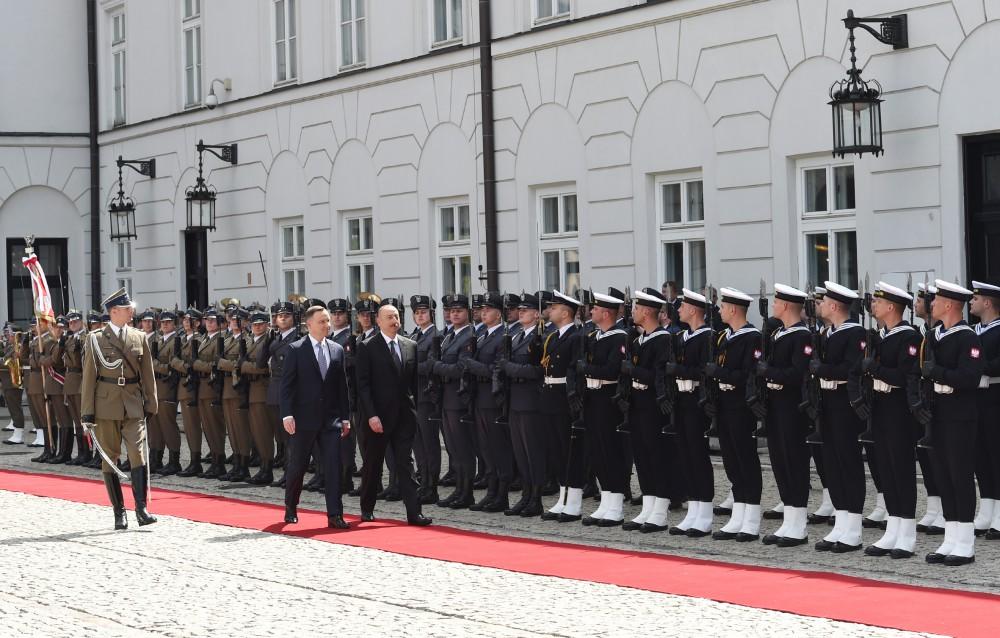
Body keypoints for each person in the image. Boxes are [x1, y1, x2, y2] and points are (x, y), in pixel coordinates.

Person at [80, 288, 158, 530]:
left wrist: (151, 402)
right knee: (110, 459)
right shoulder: (95, 339)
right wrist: (87, 412)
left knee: (138, 453)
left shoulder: (138, 337)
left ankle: (142, 509)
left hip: (133, 404)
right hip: (106, 405)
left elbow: (148, 375)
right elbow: (89, 378)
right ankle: (119, 512)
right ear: (114, 312)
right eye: (127, 309)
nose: (132, 312)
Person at [856, 281, 921, 558]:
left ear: (892, 306)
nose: (874, 306)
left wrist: (877, 369)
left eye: (878, 302)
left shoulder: (908, 338)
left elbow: (908, 378)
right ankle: (893, 528)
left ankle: (907, 533)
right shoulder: (881, 337)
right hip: (880, 409)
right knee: (885, 469)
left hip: (899, 412)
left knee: (902, 471)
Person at [921, 280, 983, 566]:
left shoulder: (967, 337)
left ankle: (966, 542)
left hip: (960, 415)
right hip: (938, 413)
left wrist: (939, 374)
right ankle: (950, 536)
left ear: (949, 305)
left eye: (936, 300)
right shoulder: (934, 335)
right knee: (943, 475)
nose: (930, 304)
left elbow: (969, 378)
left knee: (959, 475)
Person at [354, 304, 431, 526]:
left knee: (406, 464)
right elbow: (363, 385)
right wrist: (371, 415)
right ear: (378, 321)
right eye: (389, 317)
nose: (394, 320)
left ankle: (414, 513)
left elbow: (413, 383)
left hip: (404, 417)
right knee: (373, 463)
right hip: (378, 417)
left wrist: (413, 409)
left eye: (396, 316)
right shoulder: (368, 347)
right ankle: (367, 508)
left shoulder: (410, 345)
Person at [280, 305, 351, 529]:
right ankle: (291, 507)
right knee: (298, 466)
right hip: (303, 420)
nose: (327, 325)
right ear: (308, 324)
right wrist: (287, 415)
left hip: (330, 421)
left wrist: (345, 417)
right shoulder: (296, 349)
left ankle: (335, 514)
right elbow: (287, 386)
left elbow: (342, 387)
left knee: (333, 467)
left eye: (328, 321)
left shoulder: (337, 349)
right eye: (322, 321)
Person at [809, 281, 867, 553]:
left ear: (834, 306)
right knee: (832, 464)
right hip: (828, 403)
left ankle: (853, 528)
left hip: (845, 404)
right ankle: (841, 522)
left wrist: (823, 369)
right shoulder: (827, 333)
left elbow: (851, 368)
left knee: (848, 464)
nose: (818, 306)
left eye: (822, 302)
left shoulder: (854, 333)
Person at [757, 284, 812, 547]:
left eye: (777, 301)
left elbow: (798, 373)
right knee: (780, 462)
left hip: (792, 408)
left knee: (794, 462)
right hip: (776, 406)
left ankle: (798, 524)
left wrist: (769, 373)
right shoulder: (779, 334)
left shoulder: (801, 336)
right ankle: (789, 520)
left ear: (787, 306)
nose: (774, 305)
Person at [708, 288, 764, 542]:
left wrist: (720, 374)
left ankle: (751, 518)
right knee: (731, 461)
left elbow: (748, 375)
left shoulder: (751, 338)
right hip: (724, 404)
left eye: (722, 307)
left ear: (732, 310)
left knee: (745, 460)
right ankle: (738, 513)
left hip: (741, 406)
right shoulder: (724, 337)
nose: (719, 311)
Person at [619, 288, 675, 532]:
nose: (633, 312)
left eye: (637, 308)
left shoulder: (663, 339)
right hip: (637, 404)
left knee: (657, 457)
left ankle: (660, 510)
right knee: (641, 456)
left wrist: (634, 372)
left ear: (648, 311)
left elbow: (659, 375)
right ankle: (648, 505)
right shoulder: (637, 339)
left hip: (654, 404)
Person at [666, 289, 716, 537]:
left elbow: (706, 371)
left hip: (697, 399)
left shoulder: (706, 337)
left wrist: (682, 370)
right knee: (685, 454)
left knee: (698, 455)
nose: (678, 309)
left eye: (682, 306)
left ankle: (704, 513)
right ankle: (694, 509)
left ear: (694, 310)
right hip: (681, 400)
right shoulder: (684, 336)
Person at [539, 291, 585, 522]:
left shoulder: (576, 336)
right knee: (555, 450)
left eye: (554, 307)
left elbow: (575, 369)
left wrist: (573, 395)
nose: (550, 311)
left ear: (566, 312)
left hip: (565, 397)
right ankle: (563, 496)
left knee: (569, 451)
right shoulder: (554, 336)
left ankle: (574, 501)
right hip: (550, 396)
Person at [432, 294, 477, 509]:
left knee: (463, 448)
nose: (454, 313)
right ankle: (459, 489)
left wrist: (436, 367)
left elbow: (461, 368)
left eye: (459, 310)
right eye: (451, 310)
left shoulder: (469, 335)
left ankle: (466, 492)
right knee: (453, 449)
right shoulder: (450, 335)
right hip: (446, 399)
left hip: (459, 399)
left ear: (467, 312)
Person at [258, 301, 299, 487]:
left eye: (286, 316)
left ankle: (291, 474)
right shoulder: (275, 338)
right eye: (279, 316)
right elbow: (260, 362)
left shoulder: (297, 338)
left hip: (289, 391)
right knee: (281, 437)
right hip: (275, 392)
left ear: (294, 318)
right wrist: (268, 339)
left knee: (291, 437)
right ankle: (286, 471)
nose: (282, 319)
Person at [970, 281, 1000, 537]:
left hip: (994, 397)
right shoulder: (973, 330)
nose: (971, 302)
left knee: (996, 454)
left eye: (975, 298)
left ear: (988, 303)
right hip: (974, 399)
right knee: (980, 455)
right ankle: (987, 508)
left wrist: (976, 367)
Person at [410, 295, 442, 504]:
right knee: (417, 444)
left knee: (429, 443)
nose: (420, 316)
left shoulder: (436, 336)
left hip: (426, 396)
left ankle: (432, 486)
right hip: (413, 397)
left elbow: (430, 365)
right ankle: (423, 482)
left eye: (423, 312)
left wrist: (407, 367)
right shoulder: (413, 335)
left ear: (431, 314)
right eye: (416, 313)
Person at [149, 310, 182, 476]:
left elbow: (171, 365)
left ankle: (174, 460)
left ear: (174, 324)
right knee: (155, 425)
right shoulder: (158, 340)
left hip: (167, 385)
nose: (165, 325)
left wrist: (154, 364)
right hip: (155, 386)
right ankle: (156, 457)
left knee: (168, 424)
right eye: (162, 322)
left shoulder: (176, 341)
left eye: (168, 322)